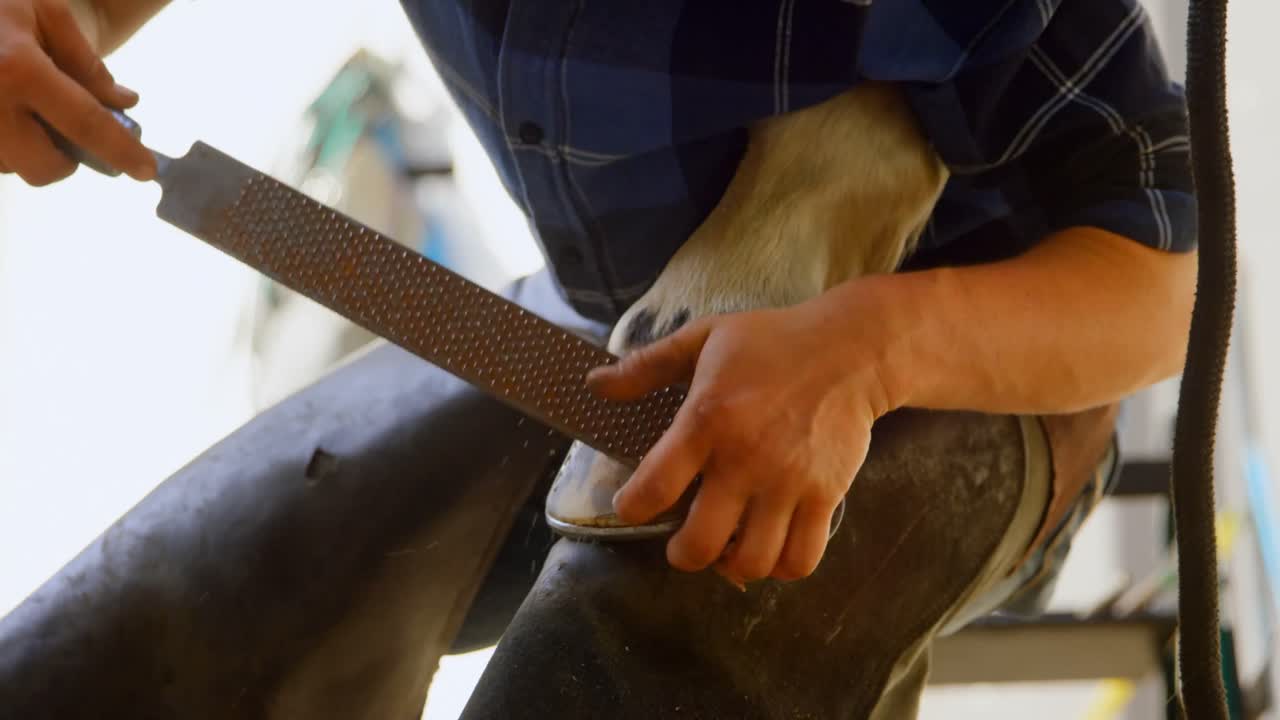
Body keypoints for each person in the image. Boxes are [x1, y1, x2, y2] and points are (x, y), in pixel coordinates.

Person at [0, 0, 1196, 717]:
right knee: (127, 642)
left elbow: (1168, 276)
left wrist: (868, 355)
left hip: (950, 366)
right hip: (603, 319)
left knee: (599, 680)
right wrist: (71, 22)